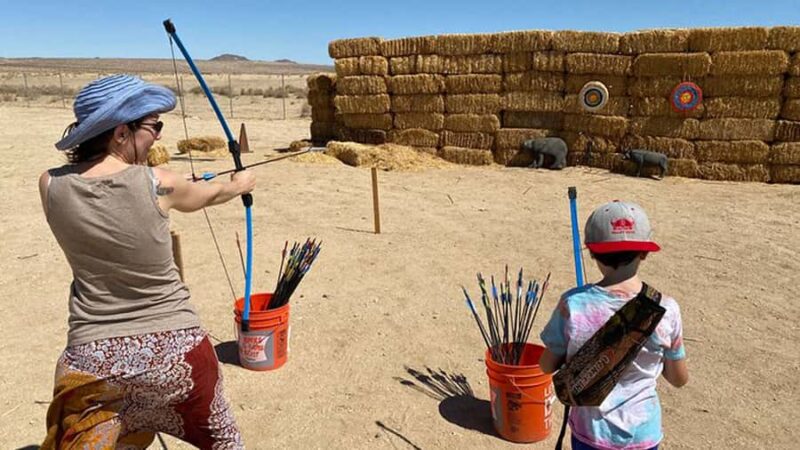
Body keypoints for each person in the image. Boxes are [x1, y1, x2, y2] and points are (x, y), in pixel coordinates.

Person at [38, 74, 255, 449]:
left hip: (92, 363)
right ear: (121, 133)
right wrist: (239, 184)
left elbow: (105, 192)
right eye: (154, 126)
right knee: (224, 442)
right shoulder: (160, 182)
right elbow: (209, 193)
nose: (158, 135)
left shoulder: (49, 184)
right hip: (178, 353)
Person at [539, 200, 688, 450]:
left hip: (590, 435)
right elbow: (678, 379)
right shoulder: (666, 309)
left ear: (592, 252)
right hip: (643, 435)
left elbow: (546, 365)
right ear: (644, 252)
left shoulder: (573, 304)